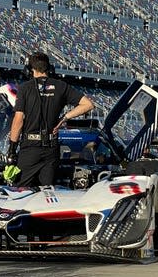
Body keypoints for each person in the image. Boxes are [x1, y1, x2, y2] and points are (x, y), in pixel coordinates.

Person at [7, 52, 94, 187]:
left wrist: (12, 149)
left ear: (30, 70)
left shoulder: (25, 88)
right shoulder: (61, 86)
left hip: (30, 148)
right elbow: (88, 104)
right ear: (49, 68)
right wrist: (64, 118)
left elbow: (18, 119)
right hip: (51, 149)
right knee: (47, 192)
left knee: (20, 191)